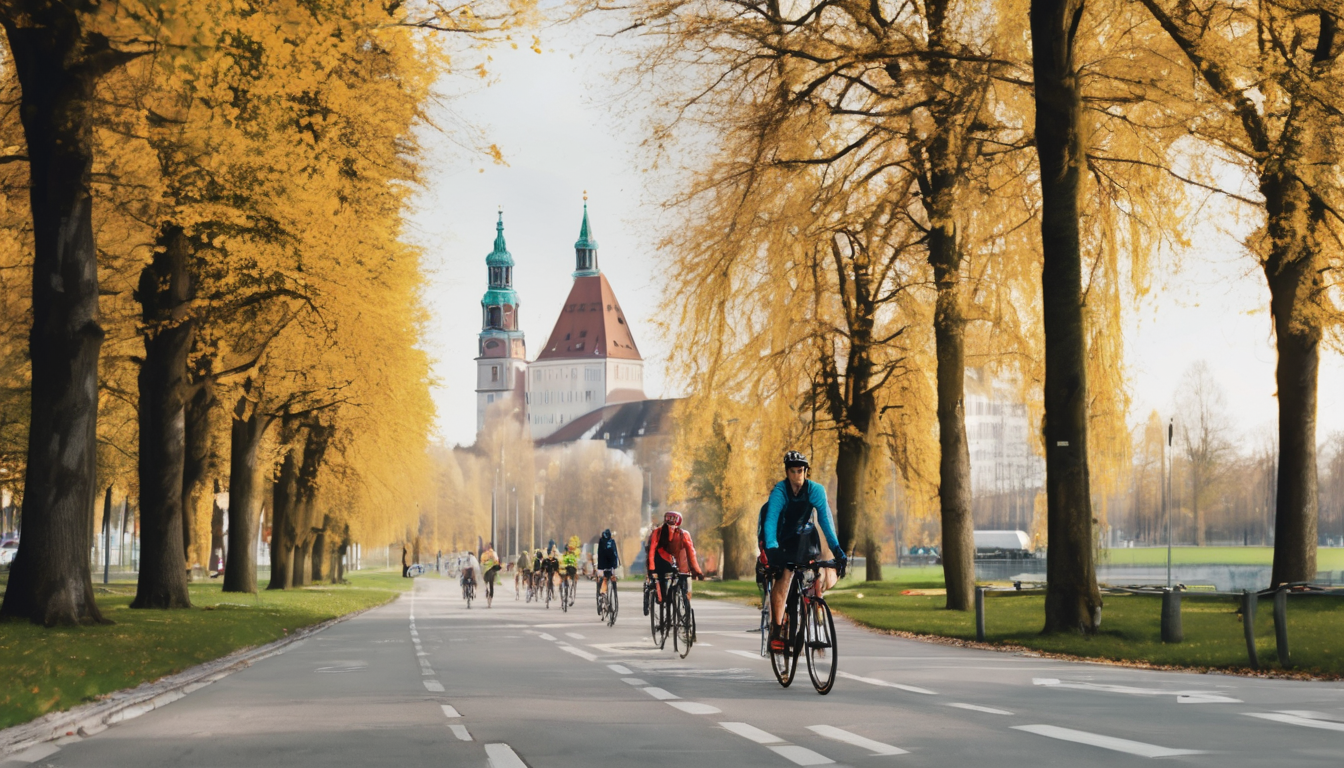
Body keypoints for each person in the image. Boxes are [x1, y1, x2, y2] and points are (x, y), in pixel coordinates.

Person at [762, 450, 846, 652]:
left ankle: (811, 613)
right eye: (793, 472)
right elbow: (771, 522)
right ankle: (777, 631)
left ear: (806, 472)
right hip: (783, 540)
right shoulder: (780, 492)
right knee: (783, 579)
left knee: (815, 572)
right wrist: (772, 549)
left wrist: (837, 550)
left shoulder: (816, 490)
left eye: (801, 471)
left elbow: (826, 522)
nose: (797, 476)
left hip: (806, 539)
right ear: (787, 472)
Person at [645, 511, 703, 615]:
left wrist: (651, 569)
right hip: (672, 562)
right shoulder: (683, 534)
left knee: (664, 581)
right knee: (681, 583)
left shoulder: (658, 532)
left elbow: (652, 550)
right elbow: (691, 553)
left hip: (666, 561)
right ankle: (685, 610)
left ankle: (665, 599)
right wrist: (697, 571)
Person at [595, 528, 621, 615]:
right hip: (612, 566)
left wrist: (599, 568)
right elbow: (615, 554)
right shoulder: (612, 542)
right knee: (612, 578)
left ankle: (602, 595)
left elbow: (599, 555)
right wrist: (616, 565)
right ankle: (613, 593)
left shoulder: (601, 542)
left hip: (602, 566)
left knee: (604, 580)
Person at [560, 540, 580, 606]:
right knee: (564, 581)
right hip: (565, 571)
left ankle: (570, 596)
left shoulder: (573, 555)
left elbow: (576, 563)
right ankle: (564, 595)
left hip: (571, 571)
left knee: (571, 583)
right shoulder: (564, 556)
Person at [480, 544, 501, 608]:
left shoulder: (484, 554)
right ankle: (490, 599)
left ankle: (486, 590)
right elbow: (496, 561)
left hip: (485, 570)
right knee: (492, 584)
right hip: (492, 570)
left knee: (483, 578)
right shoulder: (494, 553)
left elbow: (482, 562)